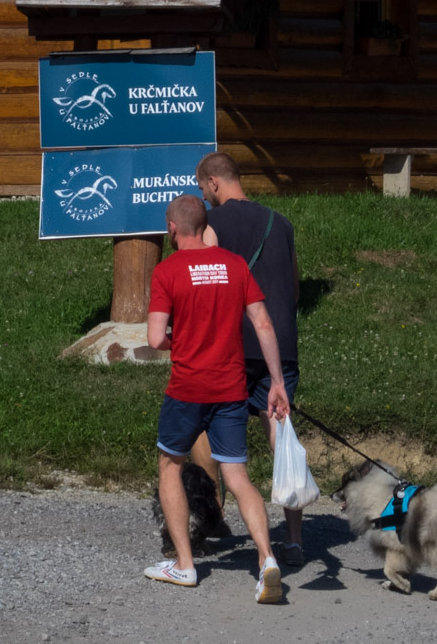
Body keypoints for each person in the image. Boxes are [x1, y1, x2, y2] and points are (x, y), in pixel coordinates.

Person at [144, 194, 292, 604]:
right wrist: (277, 382)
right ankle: (266, 560)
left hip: (188, 388)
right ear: (204, 225)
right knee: (238, 475)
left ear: (173, 228)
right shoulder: (235, 265)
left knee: (170, 466)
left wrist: (182, 340)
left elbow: (156, 337)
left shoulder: (167, 270)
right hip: (232, 387)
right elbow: (262, 322)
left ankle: (185, 565)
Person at [192, 151, 306, 566]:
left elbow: (206, 285)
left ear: (214, 182)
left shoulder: (211, 225)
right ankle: (293, 539)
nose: (202, 196)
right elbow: (294, 290)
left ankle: (213, 517)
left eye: (203, 188)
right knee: (282, 435)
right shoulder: (283, 224)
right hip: (280, 344)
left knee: (206, 424)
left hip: (231, 346)